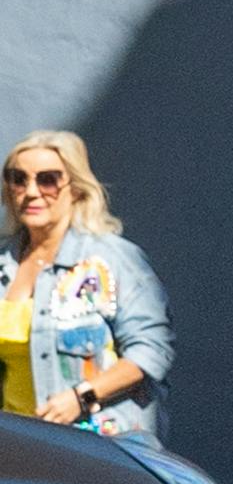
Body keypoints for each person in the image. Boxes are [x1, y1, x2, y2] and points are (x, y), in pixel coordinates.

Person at [0, 131, 173, 433]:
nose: (31, 192)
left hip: (98, 445)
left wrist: (83, 396)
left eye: (48, 180)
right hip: (20, 448)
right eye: (18, 178)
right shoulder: (4, 264)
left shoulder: (112, 260)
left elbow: (151, 349)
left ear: (76, 189)